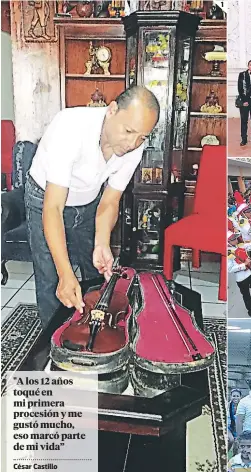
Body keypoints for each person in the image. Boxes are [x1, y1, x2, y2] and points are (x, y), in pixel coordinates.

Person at [25, 85, 159, 329]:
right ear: (111, 110)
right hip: (45, 199)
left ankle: (94, 335)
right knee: (52, 278)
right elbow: (53, 207)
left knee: (96, 271)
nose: (132, 143)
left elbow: (110, 200)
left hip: (88, 203)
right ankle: (53, 345)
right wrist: (66, 274)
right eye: (128, 131)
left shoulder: (135, 145)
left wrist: (102, 242)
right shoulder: (70, 127)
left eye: (142, 136)